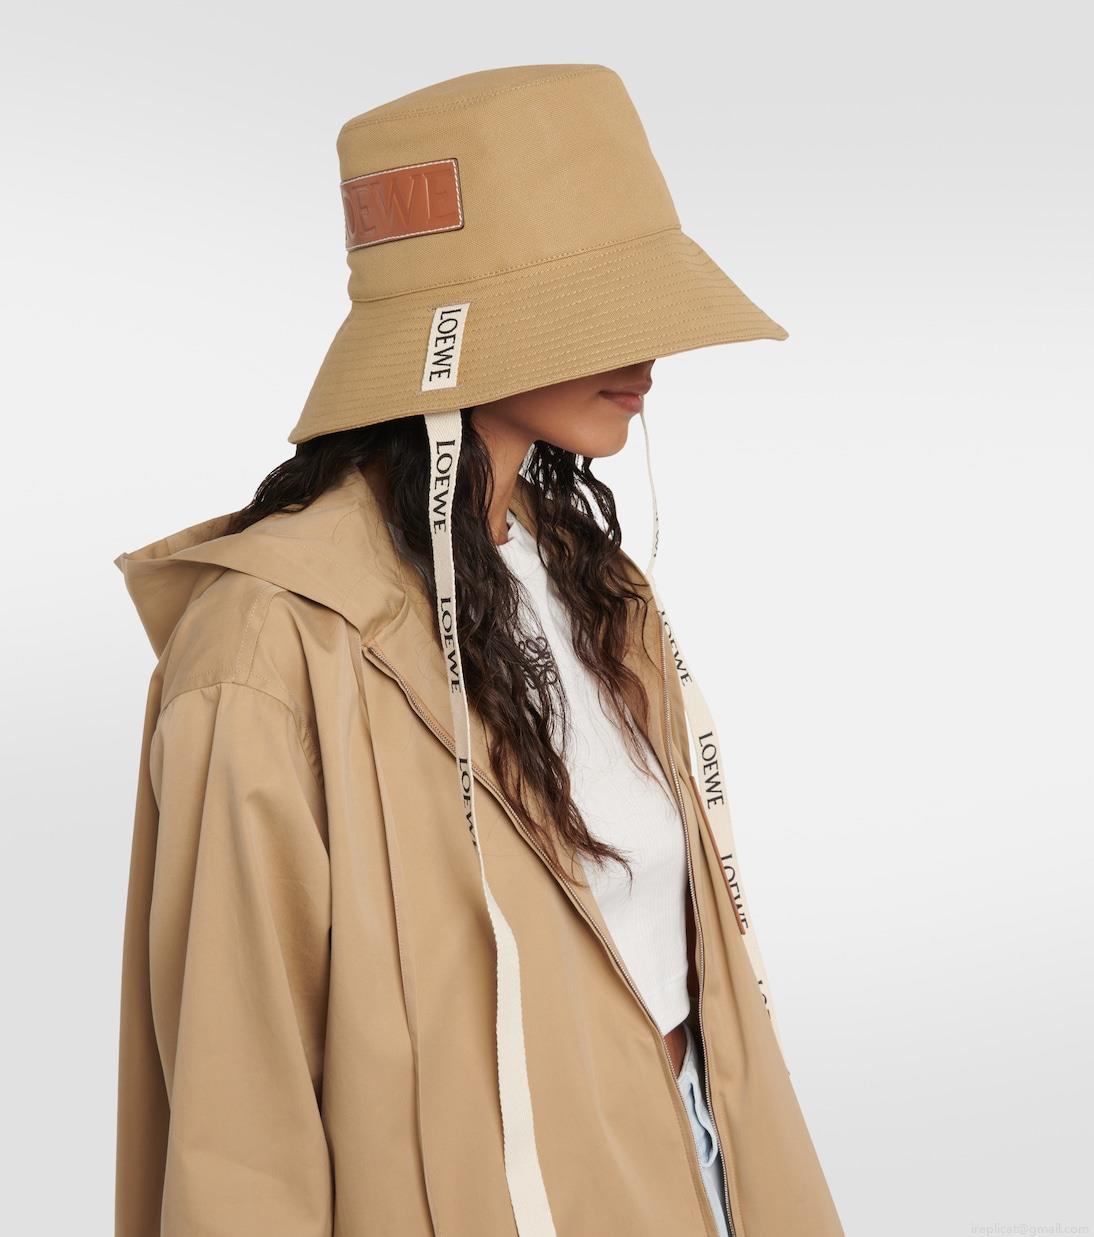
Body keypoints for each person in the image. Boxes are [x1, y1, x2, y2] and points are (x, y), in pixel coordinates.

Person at [112, 63, 845, 1237]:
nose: (647, 352)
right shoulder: (271, 646)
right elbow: (238, 1115)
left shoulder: (595, 585)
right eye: (592, 307)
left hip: (698, 1170)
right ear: (451, 333)